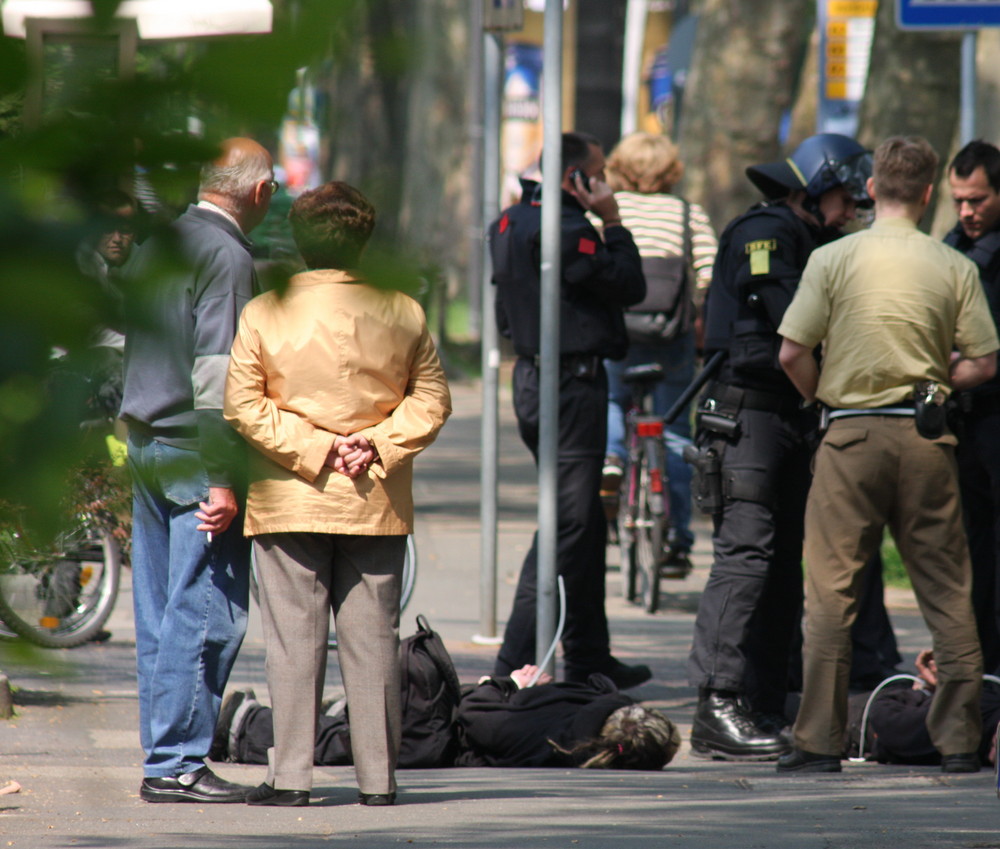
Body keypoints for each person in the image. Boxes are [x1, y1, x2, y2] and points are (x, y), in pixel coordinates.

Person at [775, 135, 999, 774]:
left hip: (849, 437)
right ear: (930, 194)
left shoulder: (833, 258)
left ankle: (818, 740)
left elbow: (791, 351)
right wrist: (935, 384)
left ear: (872, 189)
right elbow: (983, 361)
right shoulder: (955, 266)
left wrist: (829, 402)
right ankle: (958, 741)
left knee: (831, 594)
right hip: (927, 440)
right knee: (949, 590)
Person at [224, 181, 451, 808]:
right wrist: (373, 444)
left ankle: (292, 776)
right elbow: (432, 398)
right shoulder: (403, 310)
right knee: (375, 639)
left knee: (294, 639)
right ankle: (378, 780)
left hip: (289, 494)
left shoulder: (266, 311)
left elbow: (242, 403)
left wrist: (317, 448)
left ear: (297, 242)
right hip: (373, 498)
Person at [686, 133, 876, 760]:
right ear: (817, 185)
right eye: (847, 197)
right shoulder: (764, 231)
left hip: (791, 414)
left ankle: (763, 702)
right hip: (750, 414)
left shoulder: (817, 238)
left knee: (783, 561)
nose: (852, 211)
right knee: (746, 556)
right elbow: (788, 312)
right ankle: (717, 705)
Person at [120, 138, 275, 803]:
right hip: (193, 449)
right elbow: (217, 376)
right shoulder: (228, 255)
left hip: (147, 441)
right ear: (259, 192)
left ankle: (164, 755)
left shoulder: (163, 242)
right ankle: (181, 759)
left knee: (159, 610)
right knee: (207, 609)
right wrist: (223, 474)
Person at [488, 131, 649, 688]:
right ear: (575, 178)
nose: (605, 183)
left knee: (582, 521)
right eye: (598, 173)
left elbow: (502, 313)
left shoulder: (508, 221)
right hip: (570, 384)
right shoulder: (571, 228)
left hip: (534, 377)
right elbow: (630, 285)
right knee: (567, 521)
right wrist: (614, 219)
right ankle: (513, 666)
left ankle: (587, 653)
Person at [600, 131, 719, 572]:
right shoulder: (687, 213)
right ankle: (678, 539)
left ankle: (612, 459)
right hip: (671, 336)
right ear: (671, 171)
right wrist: (694, 308)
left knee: (613, 398)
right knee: (673, 432)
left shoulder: (611, 211)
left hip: (619, 333)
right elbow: (709, 269)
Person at [211, 666, 680, 772]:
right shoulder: (581, 733)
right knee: (361, 734)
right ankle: (250, 724)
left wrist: (507, 684)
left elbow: (480, 719)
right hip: (452, 730)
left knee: (358, 743)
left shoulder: (561, 732)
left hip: (449, 733)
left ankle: (242, 726)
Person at [945, 141, 1000, 673]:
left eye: (978, 199)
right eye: (959, 199)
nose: (967, 211)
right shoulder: (951, 246)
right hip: (965, 418)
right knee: (971, 550)